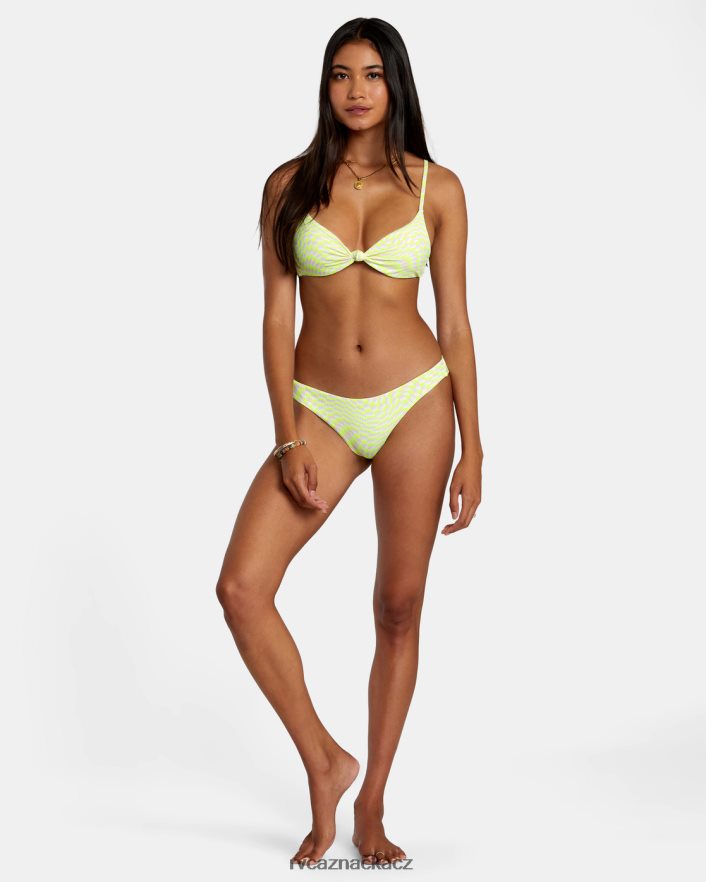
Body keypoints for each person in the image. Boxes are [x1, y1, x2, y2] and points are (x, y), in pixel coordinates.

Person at [215, 17, 483, 869]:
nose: (357, 90)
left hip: (416, 403)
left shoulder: (438, 188)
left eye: (372, 74)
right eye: (341, 74)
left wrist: (475, 448)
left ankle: (371, 805)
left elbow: (457, 324)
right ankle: (326, 762)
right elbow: (274, 318)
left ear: (395, 84)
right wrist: (285, 435)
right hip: (320, 409)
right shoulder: (288, 185)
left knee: (398, 607)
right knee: (241, 588)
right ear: (325, 86)